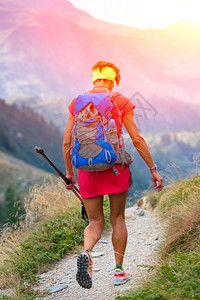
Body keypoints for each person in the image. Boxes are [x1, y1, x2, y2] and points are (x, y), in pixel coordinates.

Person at [63, 61, 164, 289]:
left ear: (94, 78)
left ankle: (87, 253)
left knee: (95, 221)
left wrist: (70, 173)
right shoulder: (120, 100)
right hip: (115, 168)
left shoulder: (77, 102)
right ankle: (119, 271)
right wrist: (153, 168)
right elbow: (137, 139)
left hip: (86, 170)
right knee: (117, 218)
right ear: (114, 79)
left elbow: (67, 141)